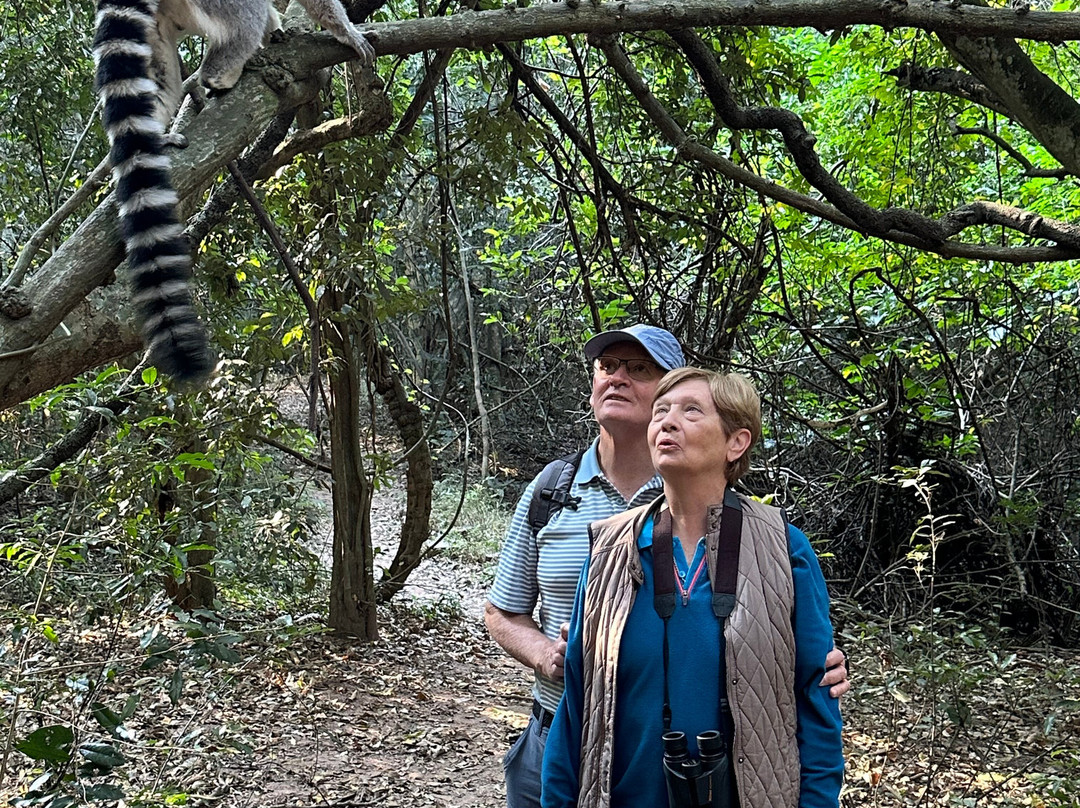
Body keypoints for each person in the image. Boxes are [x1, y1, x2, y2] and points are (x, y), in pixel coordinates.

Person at [485, 326, 849, 808]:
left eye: (689, 411)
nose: (667, 422)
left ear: (736, 442)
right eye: (662, 412)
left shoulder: (781, 547)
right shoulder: (608, 544)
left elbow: (815, 697)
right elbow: (575, 706)